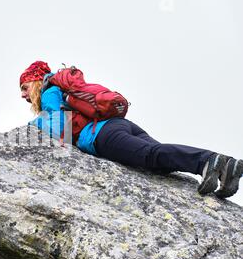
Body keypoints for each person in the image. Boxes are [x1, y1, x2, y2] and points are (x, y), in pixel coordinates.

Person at [19, 60, 243, 199]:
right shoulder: (61, 87)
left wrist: (32, 125)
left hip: (102, 135)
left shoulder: (49, 91)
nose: (23, 95)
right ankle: (226, 168)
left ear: (37, 81)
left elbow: (60, 128)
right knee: (161, 163)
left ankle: (206, 161)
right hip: (121, 125)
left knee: (152, 157)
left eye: (25, 87)